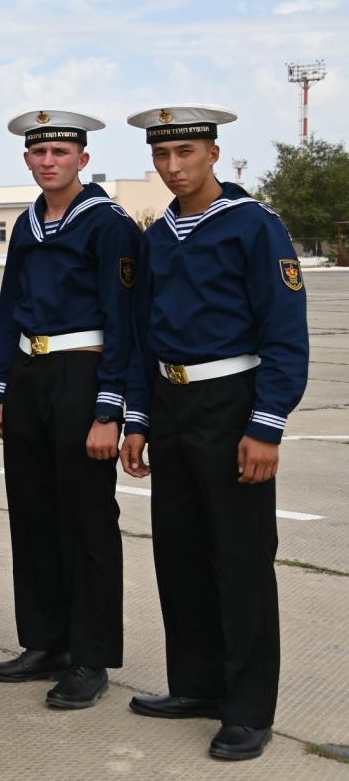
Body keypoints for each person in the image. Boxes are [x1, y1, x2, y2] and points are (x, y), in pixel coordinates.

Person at [120, 105, 308, 762]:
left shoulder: (253, 225)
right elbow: (143, 332)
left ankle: (248, 709)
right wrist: (138, 418)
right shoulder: (157, 236)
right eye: (162, 156)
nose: (173, 167)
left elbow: (284, 331)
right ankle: (197, 686)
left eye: (185, 153)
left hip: (232, 403)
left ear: (212, 154)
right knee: (180, 551)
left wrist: (267, 424)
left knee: (240, 558)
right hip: (170, 402)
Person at [0, 111, 138, 709]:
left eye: (60, 152)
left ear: (82, 160)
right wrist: (3, 388)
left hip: (82, 373)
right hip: (29, 374)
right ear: (27, 160)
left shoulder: (108, 224)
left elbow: (123, 318)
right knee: (33, 513)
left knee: (86, 518)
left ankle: (90, 657)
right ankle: (45, 641)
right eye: (39, 152)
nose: (48, 161)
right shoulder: (27, 223)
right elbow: (9, 307)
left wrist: (109, 408)